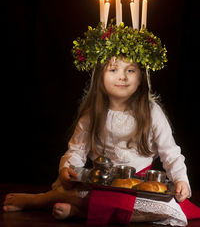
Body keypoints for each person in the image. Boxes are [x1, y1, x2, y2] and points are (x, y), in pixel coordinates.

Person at [3, 23, 192, 225]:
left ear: (141, 78)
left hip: (137, 188)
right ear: (99, 76)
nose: (122, 76)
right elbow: (76, 150)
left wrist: (181, 180)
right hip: (100, 183)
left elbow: (170, 152)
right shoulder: (93, 112)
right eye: (113, 69)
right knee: (81, 193)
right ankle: (40, 200)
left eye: (130, 70)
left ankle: (78, 212)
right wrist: (68, 169)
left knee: (167, 210)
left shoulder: (152, 111)